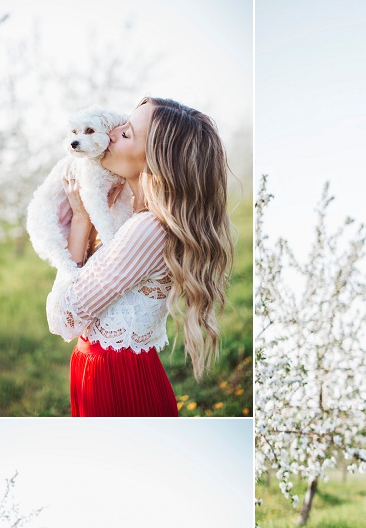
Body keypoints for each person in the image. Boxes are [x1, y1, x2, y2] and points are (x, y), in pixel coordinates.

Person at [46, 97, 234, 416]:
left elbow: (64, 318)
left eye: (127, 133)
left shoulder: (146, 229)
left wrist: (81, 219)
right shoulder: (134, 215)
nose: (113, 133)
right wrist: (84, 216)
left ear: (157, 160)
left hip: (116, 379)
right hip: (103, 367)